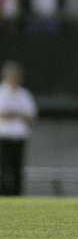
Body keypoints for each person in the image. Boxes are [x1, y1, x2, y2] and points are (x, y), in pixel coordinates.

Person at [0, 61, 37, 196]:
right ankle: (3, 195)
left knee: (17, 168)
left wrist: (13, 113)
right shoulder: (2, 93)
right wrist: (19, 114)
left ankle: (17, 195)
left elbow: (31, 115)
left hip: (19, 137)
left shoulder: (24, 94)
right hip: (4, 137)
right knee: (4, 168)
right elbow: (2, 114)